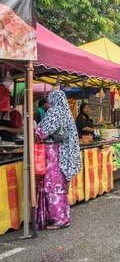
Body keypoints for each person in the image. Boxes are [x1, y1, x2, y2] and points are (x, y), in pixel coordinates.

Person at [35, 90, 81, 230]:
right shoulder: (67, 112)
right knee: (60, 186)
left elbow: (43, 131)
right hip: (63, 157)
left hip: (54, 155)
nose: (49, 103)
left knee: (53, 187)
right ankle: (63, 217)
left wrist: (34, 128)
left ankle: (59, 220)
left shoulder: (55, 112)